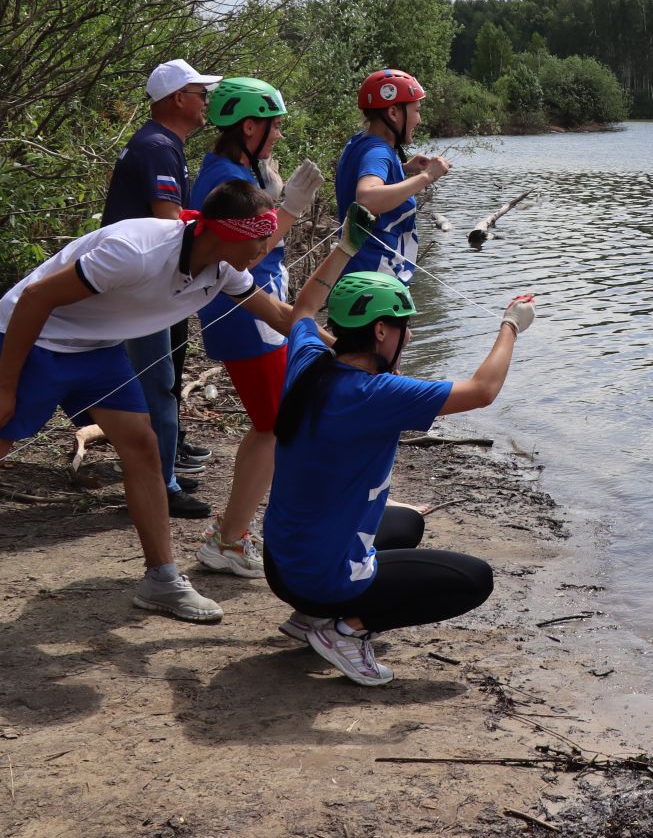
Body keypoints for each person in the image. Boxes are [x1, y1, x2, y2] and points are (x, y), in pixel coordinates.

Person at [0, 180, 305, 622]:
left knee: (143, 447)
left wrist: (347, 353)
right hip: (38, 339)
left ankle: (162, 579)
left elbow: (278, 316)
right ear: (226, 233)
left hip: (98, 350)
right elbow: (36, 297)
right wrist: (4, 387)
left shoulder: (223, 269)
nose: (264, 246)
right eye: (259, 236)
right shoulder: (135, 252)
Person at [264, 220, 536, 686]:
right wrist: (510, 325)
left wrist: (347, 246)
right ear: (381, 331)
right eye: (404, 328)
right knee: (473, 579)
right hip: (318, 577)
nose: (408, 338)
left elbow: (305, 305)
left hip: (282, 565)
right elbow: (483, 390)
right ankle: (345, 632)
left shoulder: (309, 360)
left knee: (407, 522)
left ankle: (310, 618)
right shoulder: (377, 392)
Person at [187, 77, 326, 578]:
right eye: (275, 127)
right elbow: (250, 249)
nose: (280, 136)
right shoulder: (223, 178)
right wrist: (287, 208)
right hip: (248, 316)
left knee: (272, 425)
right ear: (248, 126)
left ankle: (231, 532)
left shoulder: (238, 167)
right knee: (275, 427)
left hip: (259, 309)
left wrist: (271, 185)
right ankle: (229, 541)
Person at [103, 58, 220, 517]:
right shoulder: (157, 145)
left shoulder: (162, 143)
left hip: (141, 282)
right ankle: (162, 485)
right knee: (158, 384)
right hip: (139, 285)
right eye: (200, 93)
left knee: (158, 381)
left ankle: (159, 467)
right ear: (178, 99)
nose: (206, 101)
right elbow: (167, 223)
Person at [334, 69, 452, 284]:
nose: (420, 119)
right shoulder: (378, 152)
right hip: (375, 282)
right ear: (393, 113)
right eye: (416, 111)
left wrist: (403, 168)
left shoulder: (361, 142)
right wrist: (427, 176)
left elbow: (360, 177)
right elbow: (366, 198)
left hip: (361, 278)